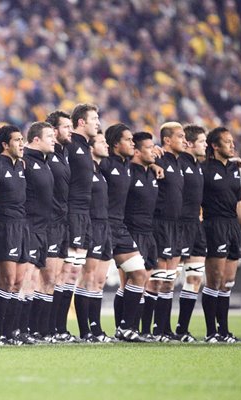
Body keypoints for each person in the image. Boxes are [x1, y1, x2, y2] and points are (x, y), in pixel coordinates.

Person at [201, 127, 241, 342]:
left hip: (233, 227)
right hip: (214, 225)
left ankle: (224, 331)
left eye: (233, 142)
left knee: (228, 281)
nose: (232, 145)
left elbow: (238, 203)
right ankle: (211, 332)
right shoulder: (203, 168)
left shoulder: (234, 169)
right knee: (215, 279)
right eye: (227, 142)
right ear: (215, 146)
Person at [99, 123, 148, 342]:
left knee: (139, 274)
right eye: (128, 140)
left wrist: (156, 164)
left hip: (121, 228)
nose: (132, 143)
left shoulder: (127, 163)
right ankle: (91, 331)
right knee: (93, 280)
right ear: (115, 144)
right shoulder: (105, 164)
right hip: (102, 226)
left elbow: (148, 157)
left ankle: (126, 328)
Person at [0, 125, 30, 345]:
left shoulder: (21, 165)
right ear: (5, 144)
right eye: (17, 140)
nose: (22, 143)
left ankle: (12, 333)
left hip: (22, 226)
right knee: (7, 280)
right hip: (3, 226)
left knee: (18, 282)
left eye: (23, 140)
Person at [60, 103, 99, 342]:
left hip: (84, 215)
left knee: (73, 274)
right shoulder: (71, 145)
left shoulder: (85, 147)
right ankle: (56, 328)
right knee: (67, 273)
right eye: (94, 118)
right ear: (81, 122)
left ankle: (66, 329)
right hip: (72, 213)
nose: (98, 122)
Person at [75, 132, 113, 342]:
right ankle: (85, 330)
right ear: (90, 148)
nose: (106, 145)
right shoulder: (84, 170)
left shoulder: (101, 170)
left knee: (99, 280)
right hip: (91, 225)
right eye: (101, 142)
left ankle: (96, 328)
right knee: (87, 278)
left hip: (105, 226)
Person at [151, 122, 186, 341]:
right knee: (157, 279)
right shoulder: (158, 157)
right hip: (160, 224)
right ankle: (151, 329)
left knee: (169, 281)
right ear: (166, 140)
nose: (185, 140)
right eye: (180, 136)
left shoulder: (180, 162)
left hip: (177, 226)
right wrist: (154, 159)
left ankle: (164, 328)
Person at [20, 122, 55, 344]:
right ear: (35, 140)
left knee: (41, 280)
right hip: (29, 227)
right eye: (49, 136)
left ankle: (34, 329)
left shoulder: (46, 162)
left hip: (44, 228)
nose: (53, 139)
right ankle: (19, 329)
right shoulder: (25, 162)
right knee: (27, 279)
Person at [123, 132, 159, 339]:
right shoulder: (128, 172)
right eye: (148, 147)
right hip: (131, 231)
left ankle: (138, 330)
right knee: (129, 281)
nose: (154, 150)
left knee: (145, 283)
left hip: (149, 232)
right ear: (136, 151)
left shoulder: (153, 172)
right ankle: (125, 327)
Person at [174, 124, 208, 342]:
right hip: (177, 227)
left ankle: (181, 329)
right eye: (202, 142)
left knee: (194, 278)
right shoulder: (177, 163)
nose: (205, 146)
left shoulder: (198, 165)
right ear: (189, 143)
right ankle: (156, 329)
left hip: (196, 226)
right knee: (164, 280)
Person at [42, 111, 72, 341]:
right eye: (65, 127)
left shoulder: (63, 154)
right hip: (48, 223)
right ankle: (42, 329)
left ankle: (55, 329)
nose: (68, 131)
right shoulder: (44, 156)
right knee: (48, 278)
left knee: (60, 278)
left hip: (63, 222)